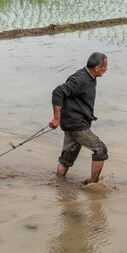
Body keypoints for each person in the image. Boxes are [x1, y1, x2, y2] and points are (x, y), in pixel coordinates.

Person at [49, 52, 108, 184]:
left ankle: (59, 184)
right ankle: (92, 186)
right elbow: (57, 93)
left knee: (67, 159)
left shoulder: (89, 76)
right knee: (101, 150)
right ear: (97, 68)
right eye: (105, 66)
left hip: (71, 123)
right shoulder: (80, 79)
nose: (106, 69)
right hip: (76, 124)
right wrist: (56, 118)